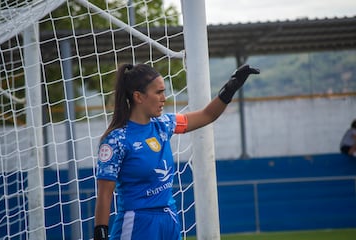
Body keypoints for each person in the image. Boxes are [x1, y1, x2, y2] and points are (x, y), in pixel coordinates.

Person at [93, 63, 260, 240]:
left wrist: (231, 87)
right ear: (138, 97)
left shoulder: (164, 125)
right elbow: (105, 193)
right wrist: (100, 233)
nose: (164, 98)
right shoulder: (115, 140)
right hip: (137, 223)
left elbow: (207, 115)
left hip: (169, 220)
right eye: (158, 92)